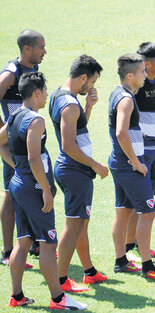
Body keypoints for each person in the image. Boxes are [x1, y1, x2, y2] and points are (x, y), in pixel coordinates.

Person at [0, 72, 87, 309]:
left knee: (24, 240)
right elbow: (33, 157)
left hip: (18, 184)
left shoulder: (14, 114)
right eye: (45, 91)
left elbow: (1, 143)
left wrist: (16, 167)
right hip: (33, 188)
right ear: (36, 93)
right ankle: (59, 299)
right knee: (48, 244)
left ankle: (16, 296)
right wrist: (46, 190)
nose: (47, 95)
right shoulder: (35, 121)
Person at [49, 55, 108, 292]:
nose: (92, 86)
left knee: (81, 223)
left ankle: (89, 271)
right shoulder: (70, 104)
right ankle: (61, 280)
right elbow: (68, 145)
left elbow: (77, 130)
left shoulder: (61, 96)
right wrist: (95, 165)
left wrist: (89, 107)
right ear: (83, 77)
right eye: (91, 81)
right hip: (75, 171)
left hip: (73, 170)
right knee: (73, 226)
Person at [108, 53, 155, 281]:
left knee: (123, 211)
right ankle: (147, 265)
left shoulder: (118, 93)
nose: (146, 75)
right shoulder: (125, 99)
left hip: (119, 162)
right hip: (129, 166)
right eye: (143, 72)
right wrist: (136, 162)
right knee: (148, 212)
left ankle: (121, 261)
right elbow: (121, 132)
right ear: (130, 75)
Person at [0, 29, 46, 267]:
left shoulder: (32, 70)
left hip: (26, 138)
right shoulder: (11, 72)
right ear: (26, 49)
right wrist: (4, 130)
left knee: (30, 189)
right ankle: (8, 252)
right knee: (11, 195)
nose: (44, 51)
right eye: (41, 47)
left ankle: (35, 244)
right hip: (13, 143)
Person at [125, 42, 155, 263]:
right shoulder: (135, 88)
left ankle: (140, 244)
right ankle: (129, 245)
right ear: (147, 64)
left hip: (154, 146)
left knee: (149, 195)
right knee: (137, 200)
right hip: (140, 151)